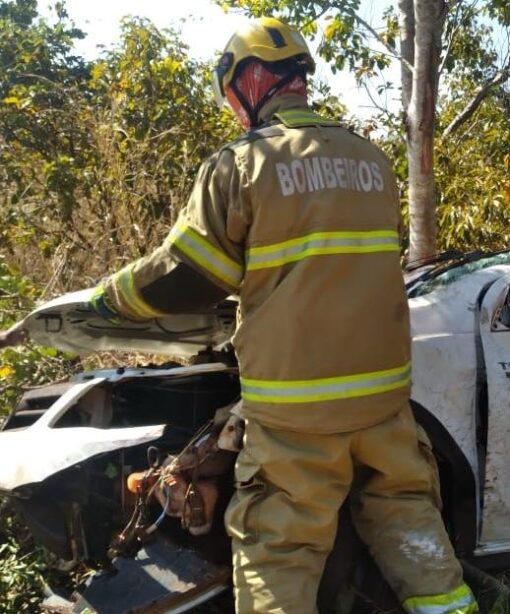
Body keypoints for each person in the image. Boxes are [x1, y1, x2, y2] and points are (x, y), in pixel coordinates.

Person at [32, 17, 478, 613]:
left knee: (279, 551)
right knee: (410, 525)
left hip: (295, 415)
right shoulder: (371, 160)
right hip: (385, 405)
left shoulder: (241, 164)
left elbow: (187, 276)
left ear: (251, 80)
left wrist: (106, 299)